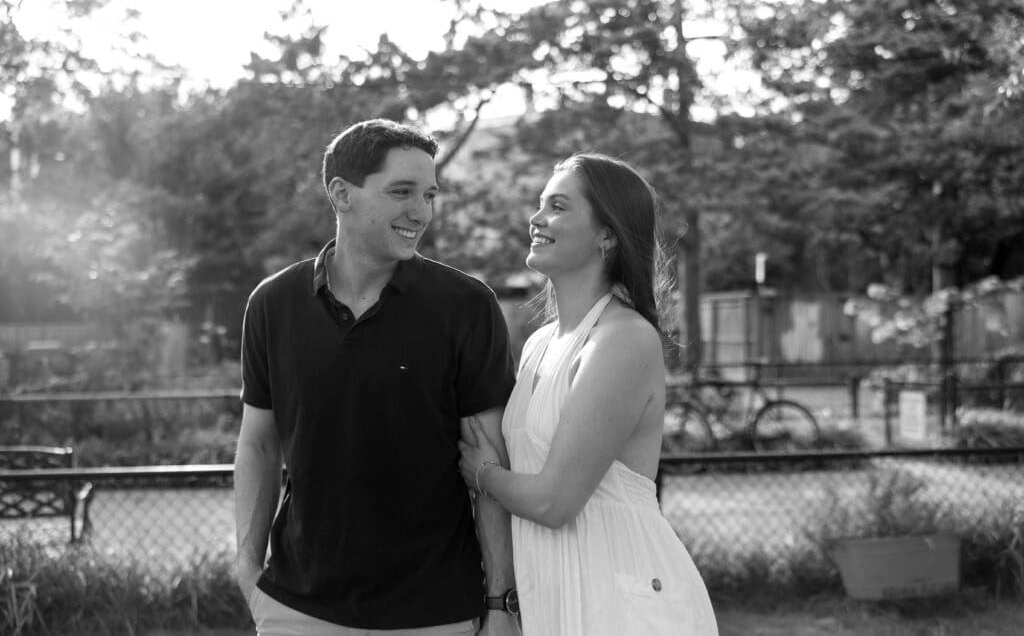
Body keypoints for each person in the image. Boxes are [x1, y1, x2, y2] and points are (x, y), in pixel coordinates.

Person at [234, 119, 520, 636]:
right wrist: (247, 569)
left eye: (429, 194)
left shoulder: (466, 306)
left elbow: (488, 458)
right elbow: (257, 444)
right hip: (296, 608)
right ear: (341, 194)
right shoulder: (272, 304)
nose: (421, 212)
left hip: (434, 612)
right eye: (402, 192)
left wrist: (501, 602)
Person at [458, 154, 718, 635]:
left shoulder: (623, 339)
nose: (536, 219)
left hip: (621, 595)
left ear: (607, 234)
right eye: (539, 206)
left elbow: (554, 502)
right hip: (550, 591)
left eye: (557, 206)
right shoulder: (540, 341)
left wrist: (482, 473)